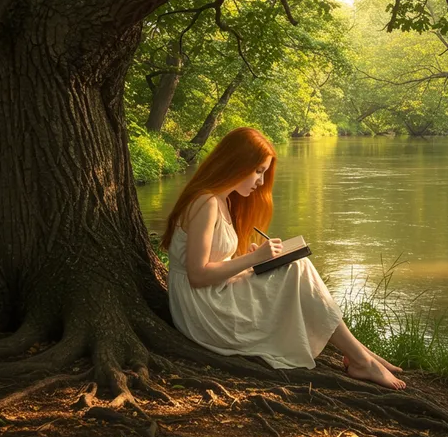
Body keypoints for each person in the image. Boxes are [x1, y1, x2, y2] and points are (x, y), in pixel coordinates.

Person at [162, 127, 405, 390]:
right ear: (236, 164)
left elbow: (216, 261)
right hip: (202, 310)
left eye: (263, 173)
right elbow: (197, 275)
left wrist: (251, 258)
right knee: (297, 267)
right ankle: (361, 358)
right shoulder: (205, 203)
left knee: (295, 264)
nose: (261, 181)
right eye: (258, 171)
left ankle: (361, 353)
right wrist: (254, 259)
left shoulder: (224, 201)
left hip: (214, 294)